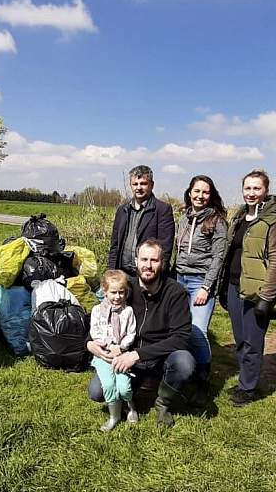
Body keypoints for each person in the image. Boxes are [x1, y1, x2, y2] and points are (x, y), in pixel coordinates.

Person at [87, 239, 194, 427]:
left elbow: (181, 338)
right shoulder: (126, 288)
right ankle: (133, 393)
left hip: (160, 358)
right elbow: (102, 313)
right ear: (136, 261)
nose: (148, 265)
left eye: (154, 260)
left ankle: (163, 404)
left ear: (162, 262)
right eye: (144, 259)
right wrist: (90, 343)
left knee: (184, 363)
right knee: (97, 392)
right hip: (126, 358)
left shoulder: (175, 292)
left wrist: (137, 355)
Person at [219, 169, 276, 407]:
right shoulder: (239, 217)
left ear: (266, 191)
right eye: (247, 188)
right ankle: (244, 379)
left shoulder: (274, 222)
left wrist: (267, 297)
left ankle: (248, 388)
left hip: (257, 291)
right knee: (240, 339)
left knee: (252, 341)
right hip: (234, 286)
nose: (251, 193)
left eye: (256, 188)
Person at [174, 175, 227, 405]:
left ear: (211, 195)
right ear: (189, 193)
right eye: (196, 191)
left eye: (205, 192)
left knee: (198, 330)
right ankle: (185, 372)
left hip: (199, 281)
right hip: (179, 278)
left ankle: (203, 379)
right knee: (180, 328)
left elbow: (218, 257)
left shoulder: (216, 221)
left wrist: (206, 287)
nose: (200, 196)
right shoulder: (184, 217)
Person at [89, 270, 138, 431]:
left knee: (124, 387)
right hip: (104, 354)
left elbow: (131, 333)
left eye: (121, 292)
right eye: (113, 292)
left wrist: (121, 346)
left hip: (121, 354)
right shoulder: (97, 311)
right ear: (105, 291)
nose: (117, 297)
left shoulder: (128, 311)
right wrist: (109, 346)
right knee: (109, 385)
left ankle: (130, 406)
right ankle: (114, 416)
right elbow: (94, 332)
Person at [108, 165, 175, 277]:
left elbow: (165, 249)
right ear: (131, 185)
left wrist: (157, 276)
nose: (138, 188)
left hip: (147, 275)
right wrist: (111, 271)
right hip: (122, 273)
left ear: (151, 185)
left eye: (143, 184)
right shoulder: (122, 210)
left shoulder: (162, 210)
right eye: (135, 184)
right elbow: (115, 244)